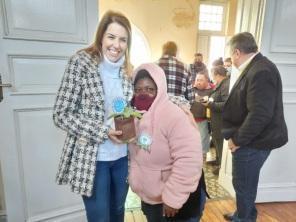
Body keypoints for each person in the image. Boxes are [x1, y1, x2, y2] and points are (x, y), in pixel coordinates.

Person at [53, 10, 133, 222]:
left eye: (123, 40)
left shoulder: (128, 71)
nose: (116, 45)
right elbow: (61, 114)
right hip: (94, 159)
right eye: (111, 37)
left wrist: (178, 103)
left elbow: (151, 95)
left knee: (118, 212)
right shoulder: (81, 63)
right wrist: (102, 131)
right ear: (101, 37)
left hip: (123, 158)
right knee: (100, 218)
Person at [222, 32, 288, 222]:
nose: (231, 60)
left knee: (244, 185)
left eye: (231, 55)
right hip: (253, 140)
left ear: (236, 52)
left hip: (253, 142)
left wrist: (237, 140)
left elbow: (260, 115)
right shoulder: (259, 66)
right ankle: (244, 215)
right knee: (245, 184)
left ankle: (245, 219)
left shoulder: (261, 70)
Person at [129, 63, 207, 222]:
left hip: (175, 200)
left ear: (160, 89)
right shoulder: (135, 114)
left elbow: (189, 160)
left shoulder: (174, 115)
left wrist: (174, 198)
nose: (143, 93)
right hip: (151, 197)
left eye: (150, 89)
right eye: (138, 89)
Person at [201, 65, 230, 175]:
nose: (212, 78)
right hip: (216, 119)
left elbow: (226, 104)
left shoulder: (225, 85)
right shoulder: (220, 84)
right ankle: (218, 160)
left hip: (221, 120)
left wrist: (210, 104)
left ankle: (221, 167)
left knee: (221, 143)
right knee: (217, 141)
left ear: (217, 75)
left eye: (213, 75)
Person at [190, 69, 213, 159]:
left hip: (204, 121)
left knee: (202, 142)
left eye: (201, 80)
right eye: (197, 80)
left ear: (207, 81)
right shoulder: (191, 88)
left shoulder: (212, 89)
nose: (198, 82)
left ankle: (201, 160)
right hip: (190, 120)